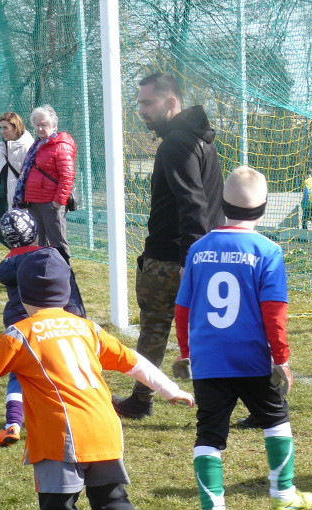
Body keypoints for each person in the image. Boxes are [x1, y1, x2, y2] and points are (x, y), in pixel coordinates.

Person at [0, 249, 194, 510]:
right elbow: (135, 362)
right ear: (65, 292)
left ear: (23, 295)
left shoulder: (19, 334)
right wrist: (171, 390)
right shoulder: (86, 327)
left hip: (60, 435)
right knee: (111, 501)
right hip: (105, 427)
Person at [173, 166, 312, 510]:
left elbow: (182, 308)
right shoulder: (268, 251)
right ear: (264, 208)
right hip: (253, 359)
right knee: (276, 420)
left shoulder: (198, 250)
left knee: (209, 433)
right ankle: (283, 495)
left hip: (208, 360)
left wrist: (186, 352)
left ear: (221, 205)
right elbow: (274, 312)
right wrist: (281, 359)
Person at [113, 72, 224, 421]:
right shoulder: (201, 141)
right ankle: (258, 406)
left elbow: (194, 204)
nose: (141, 110)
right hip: (198, 254)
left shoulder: (177, 143)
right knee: (215, 333)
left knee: (155, 328)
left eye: (148, 103)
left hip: (172, 259)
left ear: (171, 102)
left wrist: (193, 259)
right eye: (139, 103)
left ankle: (140, 400)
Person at [0, 209, 86, 447]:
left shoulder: (7, 266)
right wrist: (78, 316)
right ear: (34, 232)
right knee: (65, 368)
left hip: (19, 323)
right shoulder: (49, 258)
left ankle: (13, 424)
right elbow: (70, 291)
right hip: (52, 322)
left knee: (19, 372)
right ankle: (76, 415)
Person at [13, 105, 74, 260]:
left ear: (54, 126)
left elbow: (67, 176)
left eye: (44, 125)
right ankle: (44, 271)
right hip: (34, 201)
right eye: (37, 125)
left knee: (57, 242)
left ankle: (64, 271)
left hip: (51, 202)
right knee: (40, 243)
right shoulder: (37, 145)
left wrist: (58, 201)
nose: (40, 128)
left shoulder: (60, 146)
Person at [0, 112, 33, 245]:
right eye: (0, 128)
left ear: (15, 127)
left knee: (19, 232)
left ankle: (25, 253)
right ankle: (18, 252)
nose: (2, 131)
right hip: (0, 196)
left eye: (5, 128)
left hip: (17, 197)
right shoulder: (2, 146)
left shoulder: (27, 146)